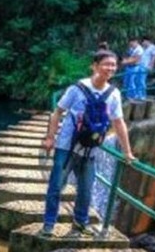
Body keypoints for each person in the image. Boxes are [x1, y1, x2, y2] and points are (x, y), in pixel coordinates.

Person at [41, 50, 137, 236]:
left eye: (113, 65)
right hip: (66, 146)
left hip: (90, 149)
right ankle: (49, 224)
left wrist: (127, 152)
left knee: (86, 190)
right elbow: (57, 112)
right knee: (56, 186)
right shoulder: (77, 88)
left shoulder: (114, 93)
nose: (110, 68)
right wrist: (50, 137)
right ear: (94, 66)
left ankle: (80, 224)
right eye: (106, 64)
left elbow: (119, 123)